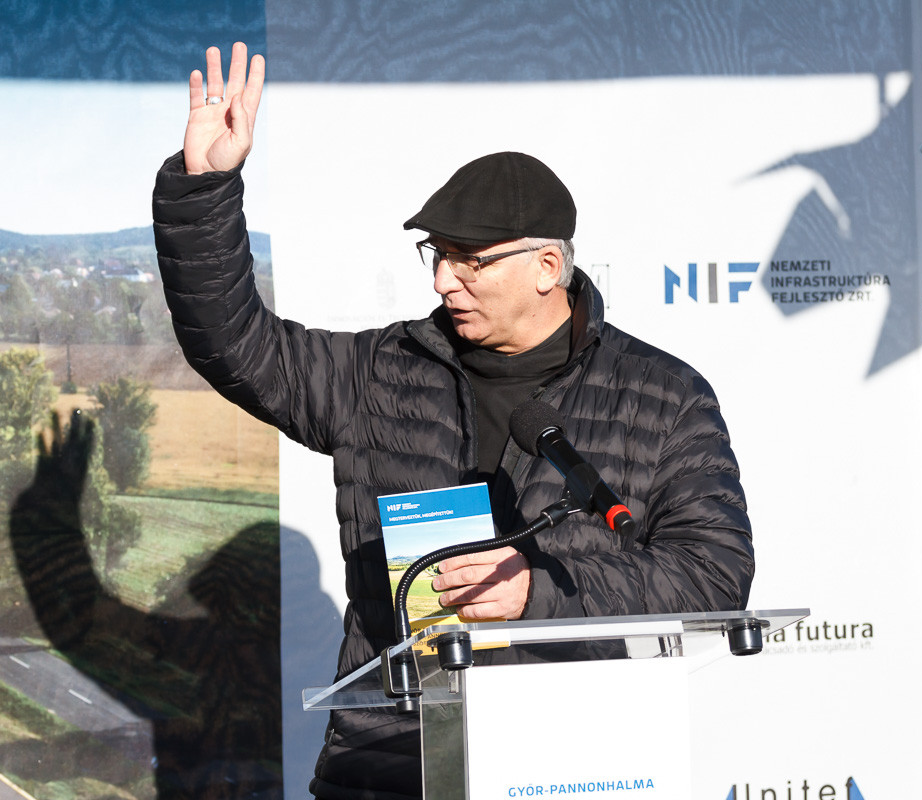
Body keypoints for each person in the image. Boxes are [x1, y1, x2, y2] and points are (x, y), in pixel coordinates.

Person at [153, 42, 754, 800]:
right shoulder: (378, 371)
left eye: (470, 260)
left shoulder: (664, 397)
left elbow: (713, 576)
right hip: (393, 763)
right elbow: (235, 344)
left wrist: (538, 595)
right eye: (435, 255)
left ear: (546, 268)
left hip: (574, 760)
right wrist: (205, 188)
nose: (443, 280)